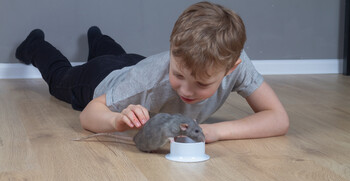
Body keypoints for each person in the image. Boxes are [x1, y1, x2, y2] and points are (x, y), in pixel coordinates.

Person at [15, 1, 289, 143]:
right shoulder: (146, 82)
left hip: (131, 63)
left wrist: (215, 132)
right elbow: (89, 115)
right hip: (98, 79)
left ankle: (97, 38)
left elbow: (278, 119)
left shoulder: (235, 60)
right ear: (171, 50)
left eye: (202, 83)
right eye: (178, 76)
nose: (186, 91)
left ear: (232, 68)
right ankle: (34, 46)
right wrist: (116, 122)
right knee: (60, 77)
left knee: (120, 56)